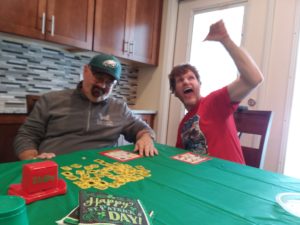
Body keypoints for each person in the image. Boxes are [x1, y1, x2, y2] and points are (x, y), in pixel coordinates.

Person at [14, 54, 158, 160]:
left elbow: (142, 129)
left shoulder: (119, 108)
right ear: (85, 70)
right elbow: (27, 135)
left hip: (103, 172)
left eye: (109, 82)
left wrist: (146, 137)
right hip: (54, 167)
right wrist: (32, 159)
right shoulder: (51, 100)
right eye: (99, 77)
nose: (102, 85)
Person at [168, 20, 263, 164]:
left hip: (230, 180)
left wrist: (225, 40)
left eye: (191, 78)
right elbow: (181, 158)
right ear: (175, 91)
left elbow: (254, 79)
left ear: (199, 84)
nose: (186, 82)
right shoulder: (183, 124)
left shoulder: (213, 102)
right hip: (202, 180)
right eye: (180, 80)